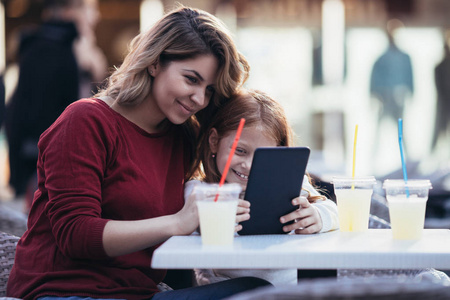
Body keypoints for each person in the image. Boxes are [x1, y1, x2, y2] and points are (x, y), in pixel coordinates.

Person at [7, 5, 271, 300]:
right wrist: (178, 223)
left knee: (257, 289)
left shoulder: (180, 135)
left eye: (209, 89)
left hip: (137, 293)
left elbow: (232, 173)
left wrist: (310, 208)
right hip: (64, 292)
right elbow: (76, 234)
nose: (199, 98)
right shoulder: (84, 121)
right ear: (155, 63)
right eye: (191, 79)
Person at [184, 89, 339, 286]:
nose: (248, 165)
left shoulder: (290, 184)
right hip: (230, 291)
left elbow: (332, 210)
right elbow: (190, 229)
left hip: (293, 289)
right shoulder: (199, 191)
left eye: (261, 156)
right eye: (240, 151)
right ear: (214, 141)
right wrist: (216, 219)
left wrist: (318, 216)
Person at [5, 0, 106, 204]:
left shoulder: (67, 46)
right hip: (46, 161)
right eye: (91, 10)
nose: (96, 17)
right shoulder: (54, 48)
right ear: (70, 11)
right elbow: (39, 113)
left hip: (50, 156)